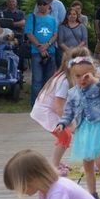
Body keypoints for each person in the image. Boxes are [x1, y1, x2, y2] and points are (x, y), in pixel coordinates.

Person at [54, 56, 100, 199]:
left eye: (86, 76)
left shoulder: (99, 87)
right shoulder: (73, 93)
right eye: (77, 76)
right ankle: (92, 194)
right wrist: (62, 124)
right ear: (72, 77)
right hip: (84, 130)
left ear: (92, 73)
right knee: (87, 164)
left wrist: (95, 80)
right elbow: (68, 112)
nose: (82, 79)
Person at [30, 47, 91, 176]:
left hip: (50, 110)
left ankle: (56, 162)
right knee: (65, 135)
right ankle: (54, 166)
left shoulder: (70, 78)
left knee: (64, 135)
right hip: (45, 111)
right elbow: (59, 106)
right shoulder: (64, 81)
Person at [26, 0, 58, 107]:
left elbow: (55, 34)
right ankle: (36, 105)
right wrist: (40, 47)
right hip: (36, 52)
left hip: (51, 51)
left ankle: (47, 104)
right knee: (37, 80)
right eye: (40, 3)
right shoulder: (31, 17)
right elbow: (29, 33)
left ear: (48, 5)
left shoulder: (53, 19)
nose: (42, 5)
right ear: (37, 5)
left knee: (49, 80)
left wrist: (47, 45)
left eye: (44, 3)